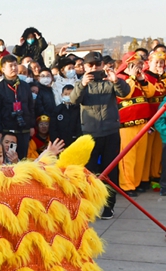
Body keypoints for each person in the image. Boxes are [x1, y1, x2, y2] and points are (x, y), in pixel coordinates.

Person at [70, 51, 131, 219]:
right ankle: (89, 204)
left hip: (111, 132)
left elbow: (125, 92)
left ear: (103, 65)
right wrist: (82, 84)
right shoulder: (81, 82)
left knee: (111, 170)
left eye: (98, 65)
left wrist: (116, 80)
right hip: (90, 134)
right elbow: (74, 100)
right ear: (85, 67)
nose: (95, 68)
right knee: (89, 172)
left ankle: (108, 206)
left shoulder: (110, 80)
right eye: (91, 65)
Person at [115, 52, 156, 196]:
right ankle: (126, 186)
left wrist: (141, 80)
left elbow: (151, 93)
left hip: (142, 123)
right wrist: (132, 77)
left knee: (140, 157)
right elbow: (125, 94)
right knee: (128, 157)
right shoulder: (120, 79)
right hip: (127, 125)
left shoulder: (139, 79)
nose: (140, 66)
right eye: (136, 64)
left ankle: (137, 182)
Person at [0, 55, 35, 159]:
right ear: (3, 69)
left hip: (24, 130)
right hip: (8, 131)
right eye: (11, 66)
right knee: (10, 158)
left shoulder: (25, 86)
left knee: (23, 159)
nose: (14, 68)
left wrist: (32, 125)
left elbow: (31, 106)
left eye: (15, 65)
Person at [143, 51, 165, 191]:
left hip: (162, 117)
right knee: (146, 150)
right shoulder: (145, 77)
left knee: (159, 150)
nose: (159, 65)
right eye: (156, 62)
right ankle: (145, 178)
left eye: (161, 63)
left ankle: (156, 175)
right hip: (149, 116)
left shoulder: (163, 78)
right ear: (149, 62)